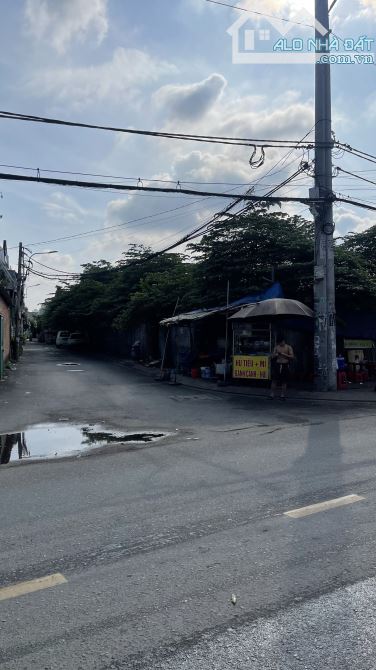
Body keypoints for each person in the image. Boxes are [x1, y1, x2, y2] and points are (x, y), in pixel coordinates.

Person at [270, 335, 294, 400]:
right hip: (277, 364)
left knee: (284, 381)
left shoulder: (288, 347)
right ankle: (272, 394)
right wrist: (276, 355)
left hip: (285, 365)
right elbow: (271, 356)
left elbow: (292, 356)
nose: (280, 344)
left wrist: (283, 354)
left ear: (283, 341)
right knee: (274, 380)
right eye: (279, 343)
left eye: (281, 342)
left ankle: (282, 395)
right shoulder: (276, 347)